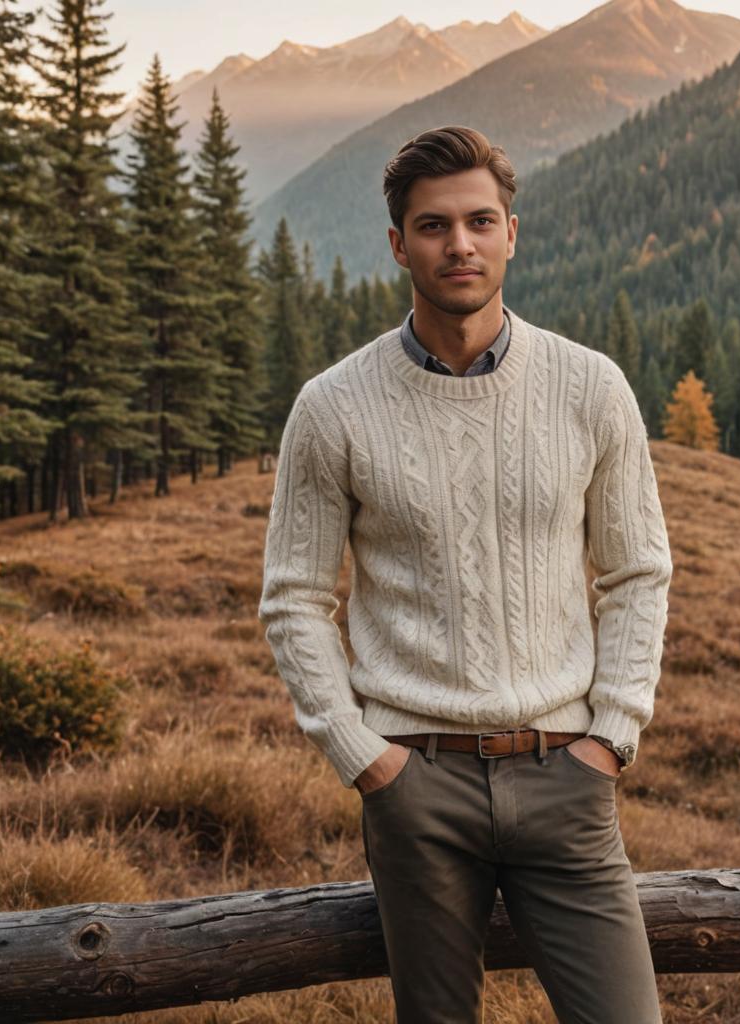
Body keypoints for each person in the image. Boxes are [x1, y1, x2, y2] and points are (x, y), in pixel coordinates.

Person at [258, 124, 673, 1024]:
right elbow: (292, 598)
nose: (461, 244)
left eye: (481, 221)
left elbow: (638, 573)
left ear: (511, 234)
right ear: (399, 244)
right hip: (415, 786)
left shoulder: (591, 387)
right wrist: (364, 760)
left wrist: (609, 739)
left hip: (567, 774)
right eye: (435, 226)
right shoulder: (332, 407)